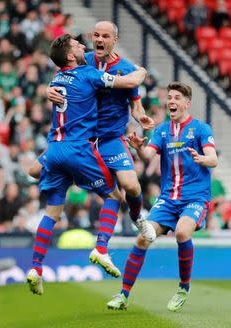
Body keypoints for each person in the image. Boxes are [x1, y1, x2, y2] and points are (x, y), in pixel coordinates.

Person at [26, 34, 147, 295]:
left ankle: (36, 268)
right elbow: (131, 80)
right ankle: (102, 248)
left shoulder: (57, 78)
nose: (84, 45)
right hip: (78, 148)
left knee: (51, 211)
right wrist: (142, 70)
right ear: (70, 56)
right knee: (114, 195)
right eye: (77, 44)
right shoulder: (87, 74)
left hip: (54, 148)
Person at [106, 82, 218, 312]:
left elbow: (213, 159)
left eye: (177, 98)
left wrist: (201, 159)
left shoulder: (200, 129)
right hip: (168, 199)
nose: (171, 102)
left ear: (187, 103)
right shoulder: (163, 130)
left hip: (194, 197)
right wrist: (138, 147)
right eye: (169, 97)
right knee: (142, 239)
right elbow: (148, 154)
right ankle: (123, 295)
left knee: (182, 232)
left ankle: (183, 287)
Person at [44, 21, 157, 243]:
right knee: (34, 170)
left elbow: (135, 104)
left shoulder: (124, 68)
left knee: (131, 186)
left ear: (114, 40)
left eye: (105, 36)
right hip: (80, 138)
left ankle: (137, 218)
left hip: (110, 138)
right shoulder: (83, 60)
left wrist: (140, 116)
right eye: (96, 35)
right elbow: (61, 75)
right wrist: (49, 90)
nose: (99, 40)